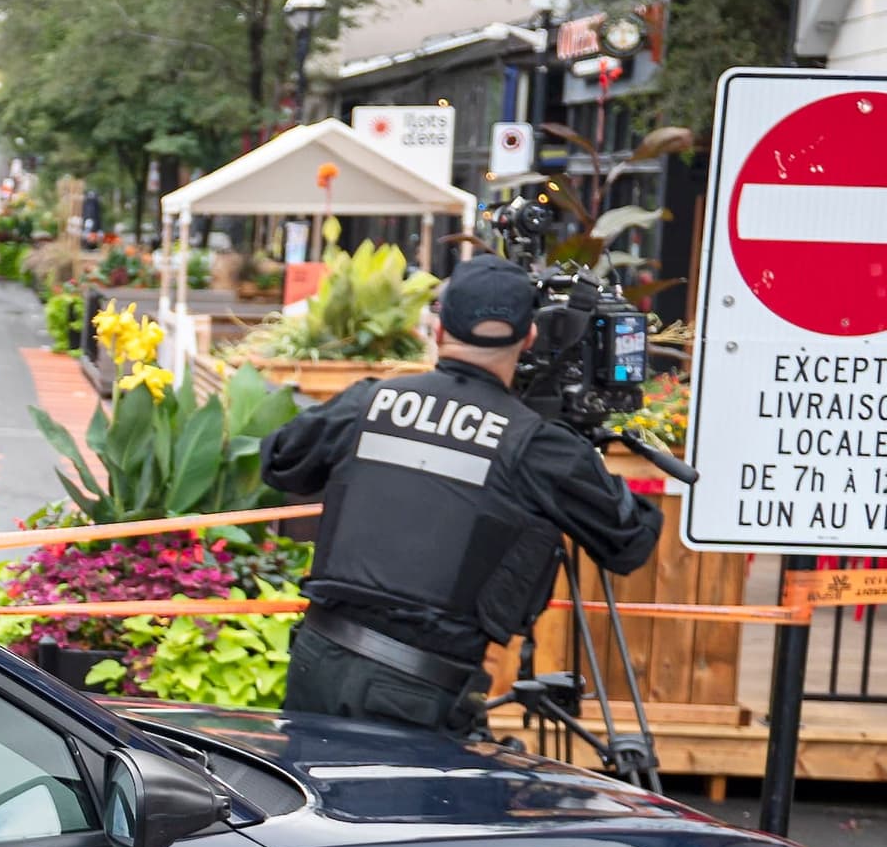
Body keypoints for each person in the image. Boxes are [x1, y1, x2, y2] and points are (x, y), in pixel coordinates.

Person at [258, 256, 661, 734]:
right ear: (528, 337)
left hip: (318, 662)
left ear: (438, 327)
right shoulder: (534, 443)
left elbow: (281, 459)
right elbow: (630, 539)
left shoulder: (370, 401)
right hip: (418, 690)